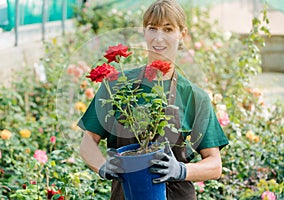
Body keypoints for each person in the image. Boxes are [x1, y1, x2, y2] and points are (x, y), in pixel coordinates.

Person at [78, 0, 229, 199]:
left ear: (181, 35)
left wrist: (181, 170)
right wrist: (103, 166)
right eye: (152, 28)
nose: (159, 38)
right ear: (144, 32)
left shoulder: (194, 96)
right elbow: (88, 141)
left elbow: (214, 164)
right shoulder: (116, 86)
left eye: (168, 29)